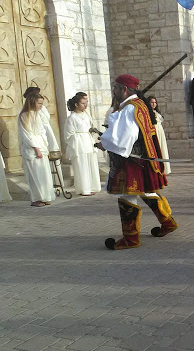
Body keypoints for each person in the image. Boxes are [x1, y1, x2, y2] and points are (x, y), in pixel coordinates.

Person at [99, 74, 178, 250]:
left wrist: (104, 143)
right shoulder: (139, 105)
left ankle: (131, 238)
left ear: (124, 89)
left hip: (130, 159)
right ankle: (168, 222)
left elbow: (124, 137)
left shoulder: (129, 108)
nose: (114, 91)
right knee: (146, 191)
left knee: (127, 195)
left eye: (116, 88)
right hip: (143, 158)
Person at [18, 92, 55, 207]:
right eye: (39, 103)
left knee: (43, 174)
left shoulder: (38, 114)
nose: (40, 106)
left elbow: (42, 131)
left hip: (42, 145)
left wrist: (45, 146)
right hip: (32, 148)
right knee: (35, 175)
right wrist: (36, 148)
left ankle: (45, 196)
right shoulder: (24, 115)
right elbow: (27, 134)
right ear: (32, 102)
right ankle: (36, 198)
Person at [65, 93, 101, 196]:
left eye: (86, 103)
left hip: (88, 142)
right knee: (82, 167)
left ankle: (92, 186)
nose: (85, 105)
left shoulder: (86, 115)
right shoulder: (71, 118)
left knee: (90, 165)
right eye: (83, 103)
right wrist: (77, 141)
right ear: (76, 104)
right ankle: (84, 189)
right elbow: (68, 134)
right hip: (79, 145)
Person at [147, 96, 171, 175]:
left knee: (162, 148)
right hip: (154, 131)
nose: (154, 104)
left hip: (160, 131)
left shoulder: (156, 112)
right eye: (152, 102)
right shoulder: (148, 113)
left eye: (155, 102)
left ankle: (164, 168)